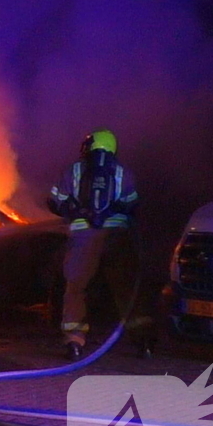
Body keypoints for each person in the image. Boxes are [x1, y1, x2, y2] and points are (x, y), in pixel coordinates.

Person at [47, 129, 151, 360]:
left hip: (83, 238)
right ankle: (142, 341)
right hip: (117, 238)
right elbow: (133, 206)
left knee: (76, 288)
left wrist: (78, 211)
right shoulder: (124, 173)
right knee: (126, 289)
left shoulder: (73, 170)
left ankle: (74, 341)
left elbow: (54, 201)